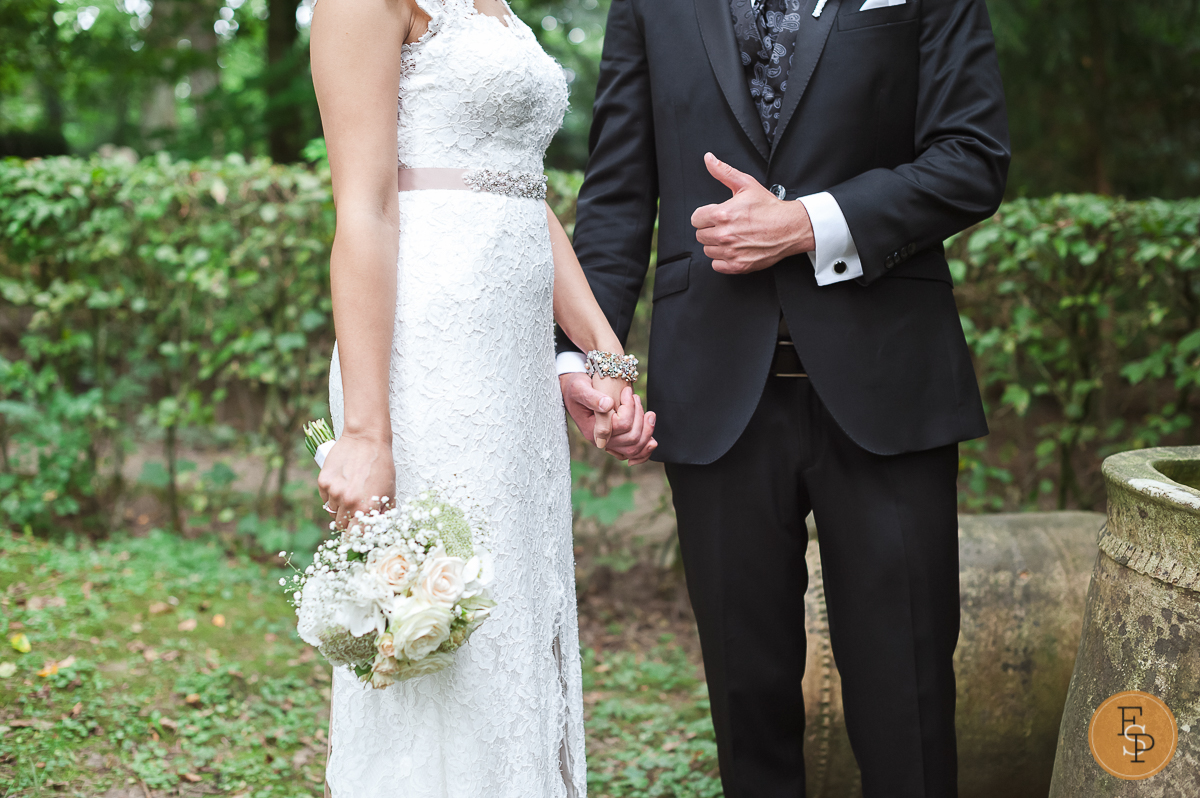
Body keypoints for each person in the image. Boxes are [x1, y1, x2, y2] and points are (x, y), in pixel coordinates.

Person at [556, 0, 1010, 795]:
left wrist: (808, 223)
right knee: (747, 707)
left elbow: (972, 157)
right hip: (712, 395)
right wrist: (594, 359)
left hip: (888, 392)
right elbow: (620, 190)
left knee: (908, 704)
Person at [308, 0, 655, 795]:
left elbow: (520, 193)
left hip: (511, 364)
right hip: (429, 343)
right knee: (443, 613)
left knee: (513, 615)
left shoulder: (492, 5)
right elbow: (362, 208)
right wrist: (365, 430)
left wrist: (603, 354)